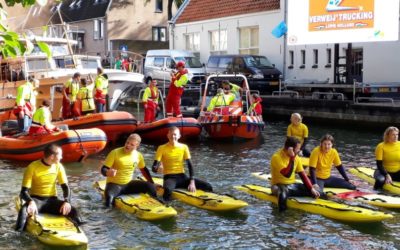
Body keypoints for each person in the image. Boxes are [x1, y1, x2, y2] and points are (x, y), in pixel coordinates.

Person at [15, 144, 84, 231]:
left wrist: (67, 202)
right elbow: (23, 192)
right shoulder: (32, 167)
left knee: (74, 211)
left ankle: (79, 230)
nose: (62, 157)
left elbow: (65, 187)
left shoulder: (58, 166)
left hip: (52, 201)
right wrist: (30, 202)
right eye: (60, 155)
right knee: (23, 210)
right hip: (37, 201)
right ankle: (18, 233)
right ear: (52, 156)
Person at [152, 126, 213, 201]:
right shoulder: (161, 148)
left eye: (175, 134)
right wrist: (156, 168)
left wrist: (192, 182)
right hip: (169, 178)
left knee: (208, 186)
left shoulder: (184, 147)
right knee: (167, 190)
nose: (173, 136)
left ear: (179, 136)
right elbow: (154, 166)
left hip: (182, 177)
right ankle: (167, 206)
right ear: (167, 135)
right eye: (171, 134)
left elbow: (190, 165)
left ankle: (212, 200)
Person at [100, 133, 157, 208]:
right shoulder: (115, 152)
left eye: (132, 145)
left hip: (128, 184)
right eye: (127, 142)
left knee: (150, 186)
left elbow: (144, 170)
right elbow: (103, 169)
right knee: (109, 200)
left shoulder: (138, 155)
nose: (128, 145)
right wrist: (107, 172)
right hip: (114, 185)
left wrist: (152, 183)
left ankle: (157, 203)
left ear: (137, 146)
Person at [270, 136, 320, 212]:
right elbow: (287, 174)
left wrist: (311, 189)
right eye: (298, 148)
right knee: (283, 193)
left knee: (317, 190)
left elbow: (303, 175)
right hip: (278, 186)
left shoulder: (296, 158)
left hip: (291, 185)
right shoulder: (276, 157)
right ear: (291, 149)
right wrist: (292, 158)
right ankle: (281, 218)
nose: (299, 150)